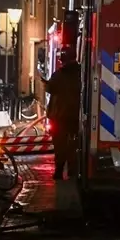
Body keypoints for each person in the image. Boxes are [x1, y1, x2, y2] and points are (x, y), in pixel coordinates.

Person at [44, 49, 81, 181]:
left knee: (59, 145)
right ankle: (72, 170)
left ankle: (59, 171)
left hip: (59, 116)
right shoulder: (81, 74)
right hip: (76, 116)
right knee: (74, 144)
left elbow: (49, 89)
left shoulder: (58, 75)